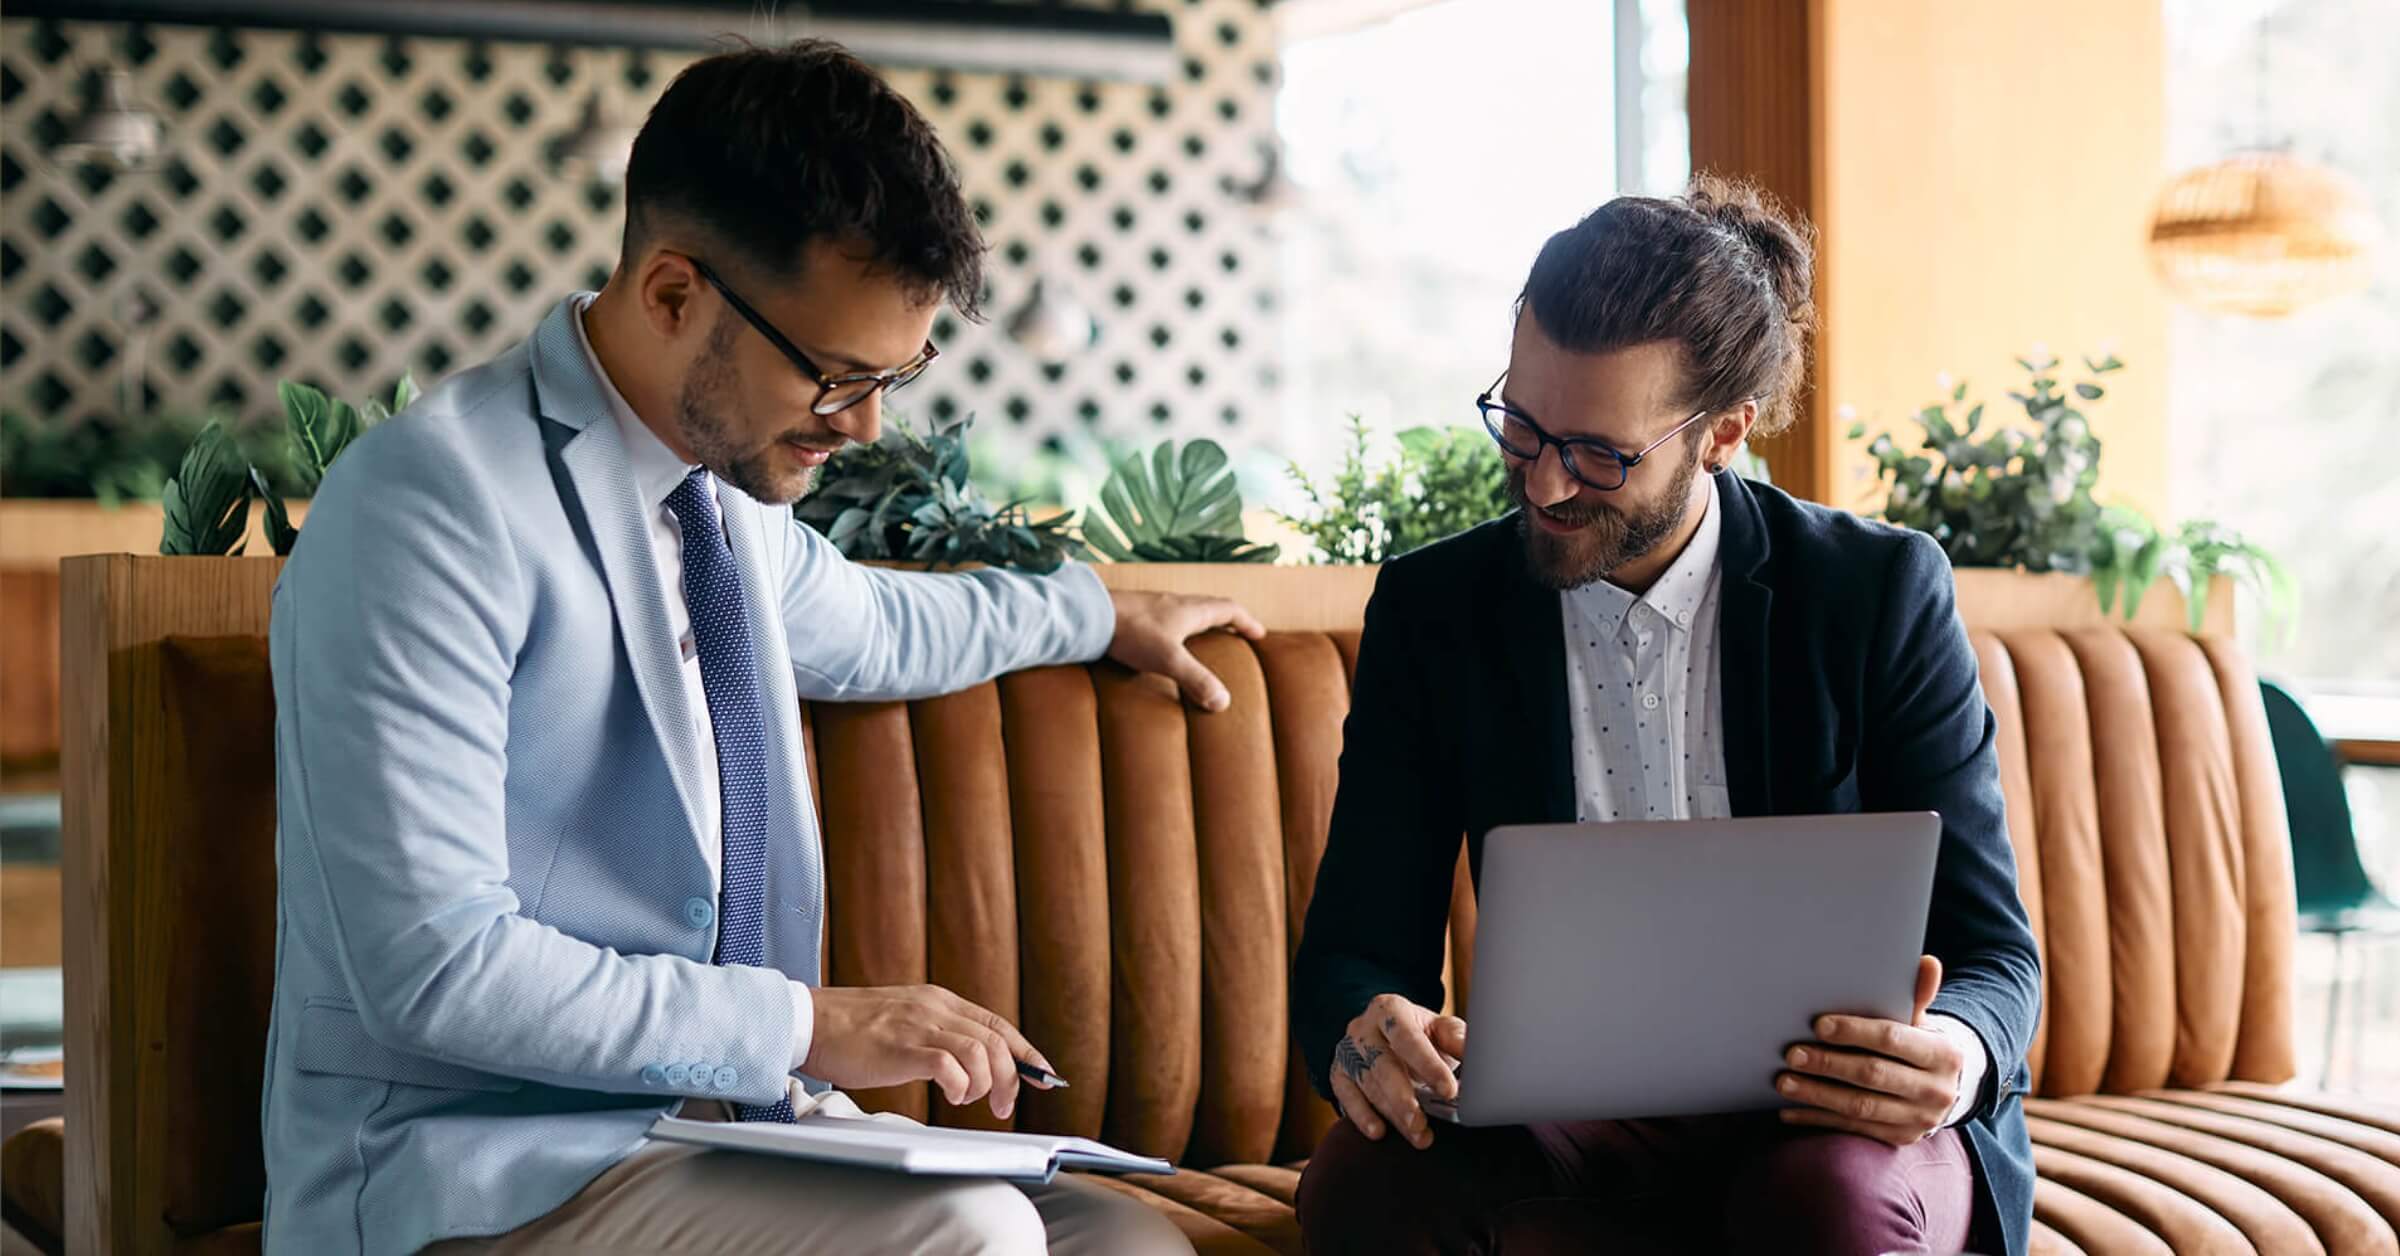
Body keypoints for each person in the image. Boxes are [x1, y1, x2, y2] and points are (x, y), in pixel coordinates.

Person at [261, 40, 1230, 1256]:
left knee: (1125, 1242)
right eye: (834, 376)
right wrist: (803, 1023)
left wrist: (1096, 612)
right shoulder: (430, 505)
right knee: (966, 1233)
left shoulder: (716, 503)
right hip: (475, 1164)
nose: (868, 424)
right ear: (674, 295)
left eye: (894, 375)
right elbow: (436, 964)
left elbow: (881, 624)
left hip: (718, 1135)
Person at [1288, 176, 2041, 1256]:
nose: (1544, 485)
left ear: (1723, 433)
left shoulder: (1874, 594)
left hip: (1831, 1120)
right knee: (1367, 1183)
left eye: (1600, 454)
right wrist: (1369, 1030)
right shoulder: (1436, 609)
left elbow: (1995, 955)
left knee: (1823, 1209)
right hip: (1573, 1124)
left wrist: (1955, 1055)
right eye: (1522, 424)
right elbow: (1353, 955)